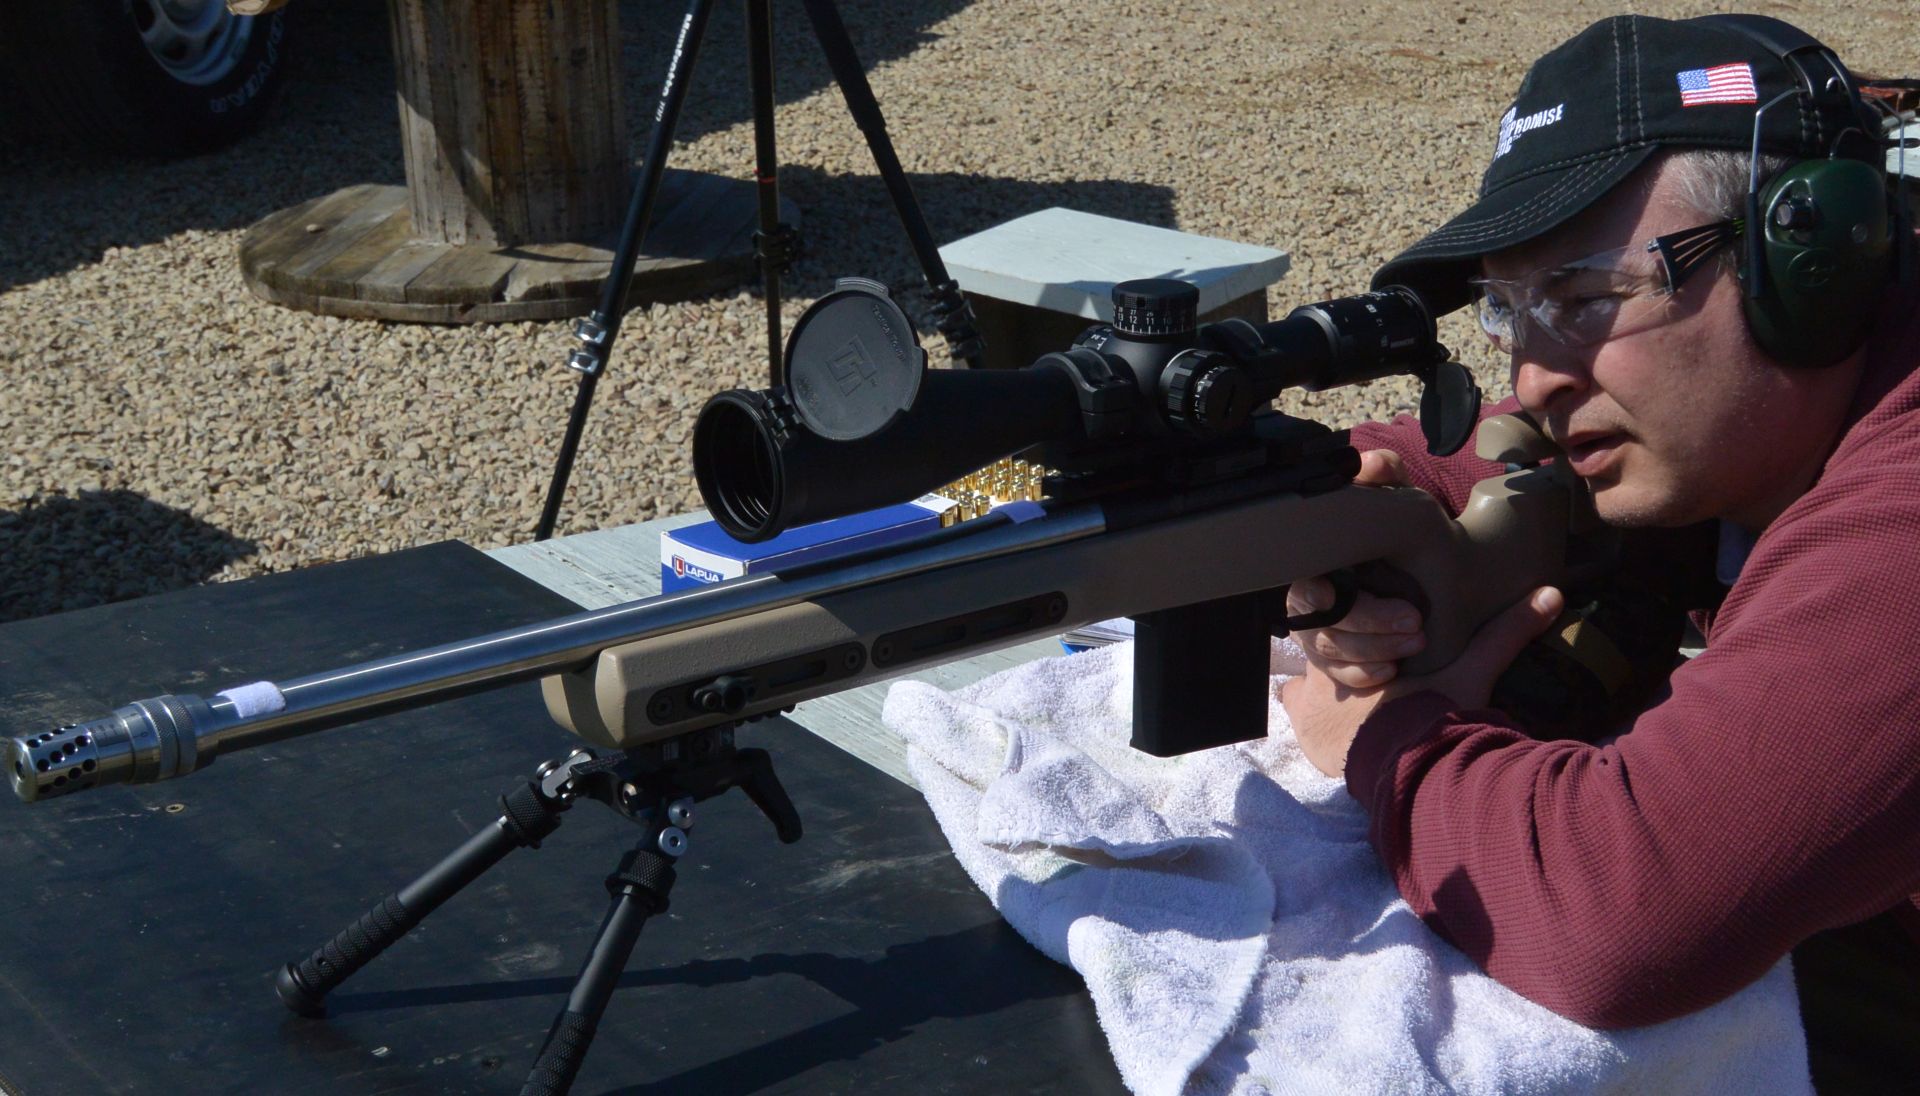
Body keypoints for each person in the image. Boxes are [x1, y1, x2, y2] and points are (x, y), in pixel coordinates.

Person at [1276, 12, 1920, 1090]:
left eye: (1582, 298)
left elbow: (1617, 915)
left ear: (1805, 259)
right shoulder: (1738, 420)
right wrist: (1325, 540)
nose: (1535, 376)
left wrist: (1389, 736)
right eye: (1509, 309)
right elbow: (1454, 457)